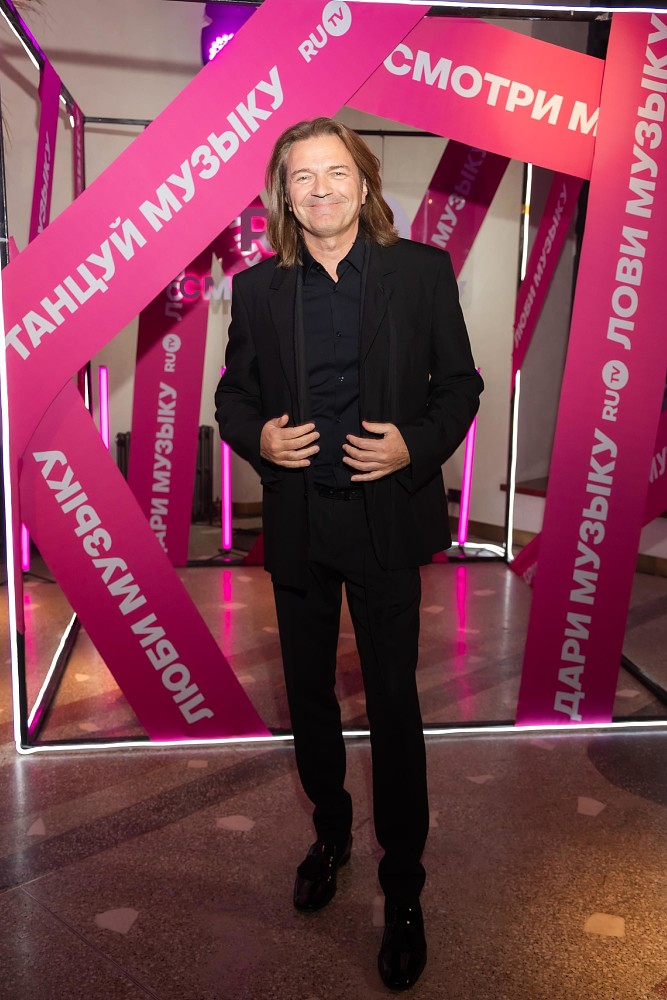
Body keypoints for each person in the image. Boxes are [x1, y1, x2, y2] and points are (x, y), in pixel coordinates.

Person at [215, 117, 483, 992]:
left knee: (394, 705)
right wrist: (259, 438)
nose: (320, 189)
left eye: (335, 173)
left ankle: (403, 887)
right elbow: (232, 397)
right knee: (308, 697)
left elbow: (461, 385)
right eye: (303, 177)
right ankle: (329, 835)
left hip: (384, 524)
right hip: (300, 523)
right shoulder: (257, 289)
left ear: (363, 185)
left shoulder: (421, 272)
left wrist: (415, 445)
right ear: (283, 197)